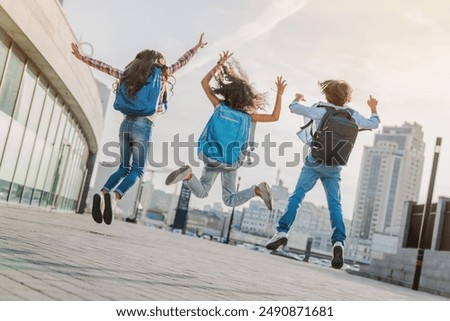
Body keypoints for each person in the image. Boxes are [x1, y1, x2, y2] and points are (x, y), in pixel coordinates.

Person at [71, 33, 207, 225]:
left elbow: (105, 67)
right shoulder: (162, 74)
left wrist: (83, 58)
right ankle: (114, 197)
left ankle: (103, 193)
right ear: (158, 61)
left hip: (125, 123)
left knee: (123, 167)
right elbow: (181, 62)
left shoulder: (129, 75)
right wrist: (197, 47)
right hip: (144, 126)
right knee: (137, 170)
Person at [265, 80, 380, 269]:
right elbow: (374, 124)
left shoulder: (319, 109)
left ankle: (282, 232)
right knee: (335, 205)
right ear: (347, 98)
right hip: (334, 166)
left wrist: (297, 98)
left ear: (327, 95)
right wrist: (373, 108)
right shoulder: (353, 115)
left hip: (314, 161)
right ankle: (338, 243)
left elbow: (293, 108)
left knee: (297, 196)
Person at [165, 51, 287, 210]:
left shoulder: (219, 107)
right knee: (229, 200)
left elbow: (204, 83)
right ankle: (257, 190)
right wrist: (279, 94)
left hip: (211, 156)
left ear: (227, 93)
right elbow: (274, 116)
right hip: (231, 161)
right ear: (248, 99)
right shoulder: (248, 116)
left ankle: (188, 175)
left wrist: (219, 65)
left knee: (202, 192)